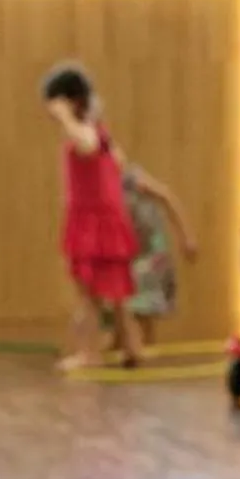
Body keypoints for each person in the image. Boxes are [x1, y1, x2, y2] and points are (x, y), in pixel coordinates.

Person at [42, 63, 142, 372]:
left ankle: (90, 353)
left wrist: (65, 116)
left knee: (88, 293)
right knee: (115, 291)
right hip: (102, 216)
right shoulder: (98, 130)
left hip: (94, 219)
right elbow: (117, 161)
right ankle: (130, 347)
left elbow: (87, 146)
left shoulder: (84, 131)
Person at [122, 160, 199, 339]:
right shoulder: (101, 185)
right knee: (122, 312)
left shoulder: (130, 178)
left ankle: (141, 352)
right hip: (125, 254)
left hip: (148, 256)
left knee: (142, 311)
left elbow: (166, 197)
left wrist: (186, 236)